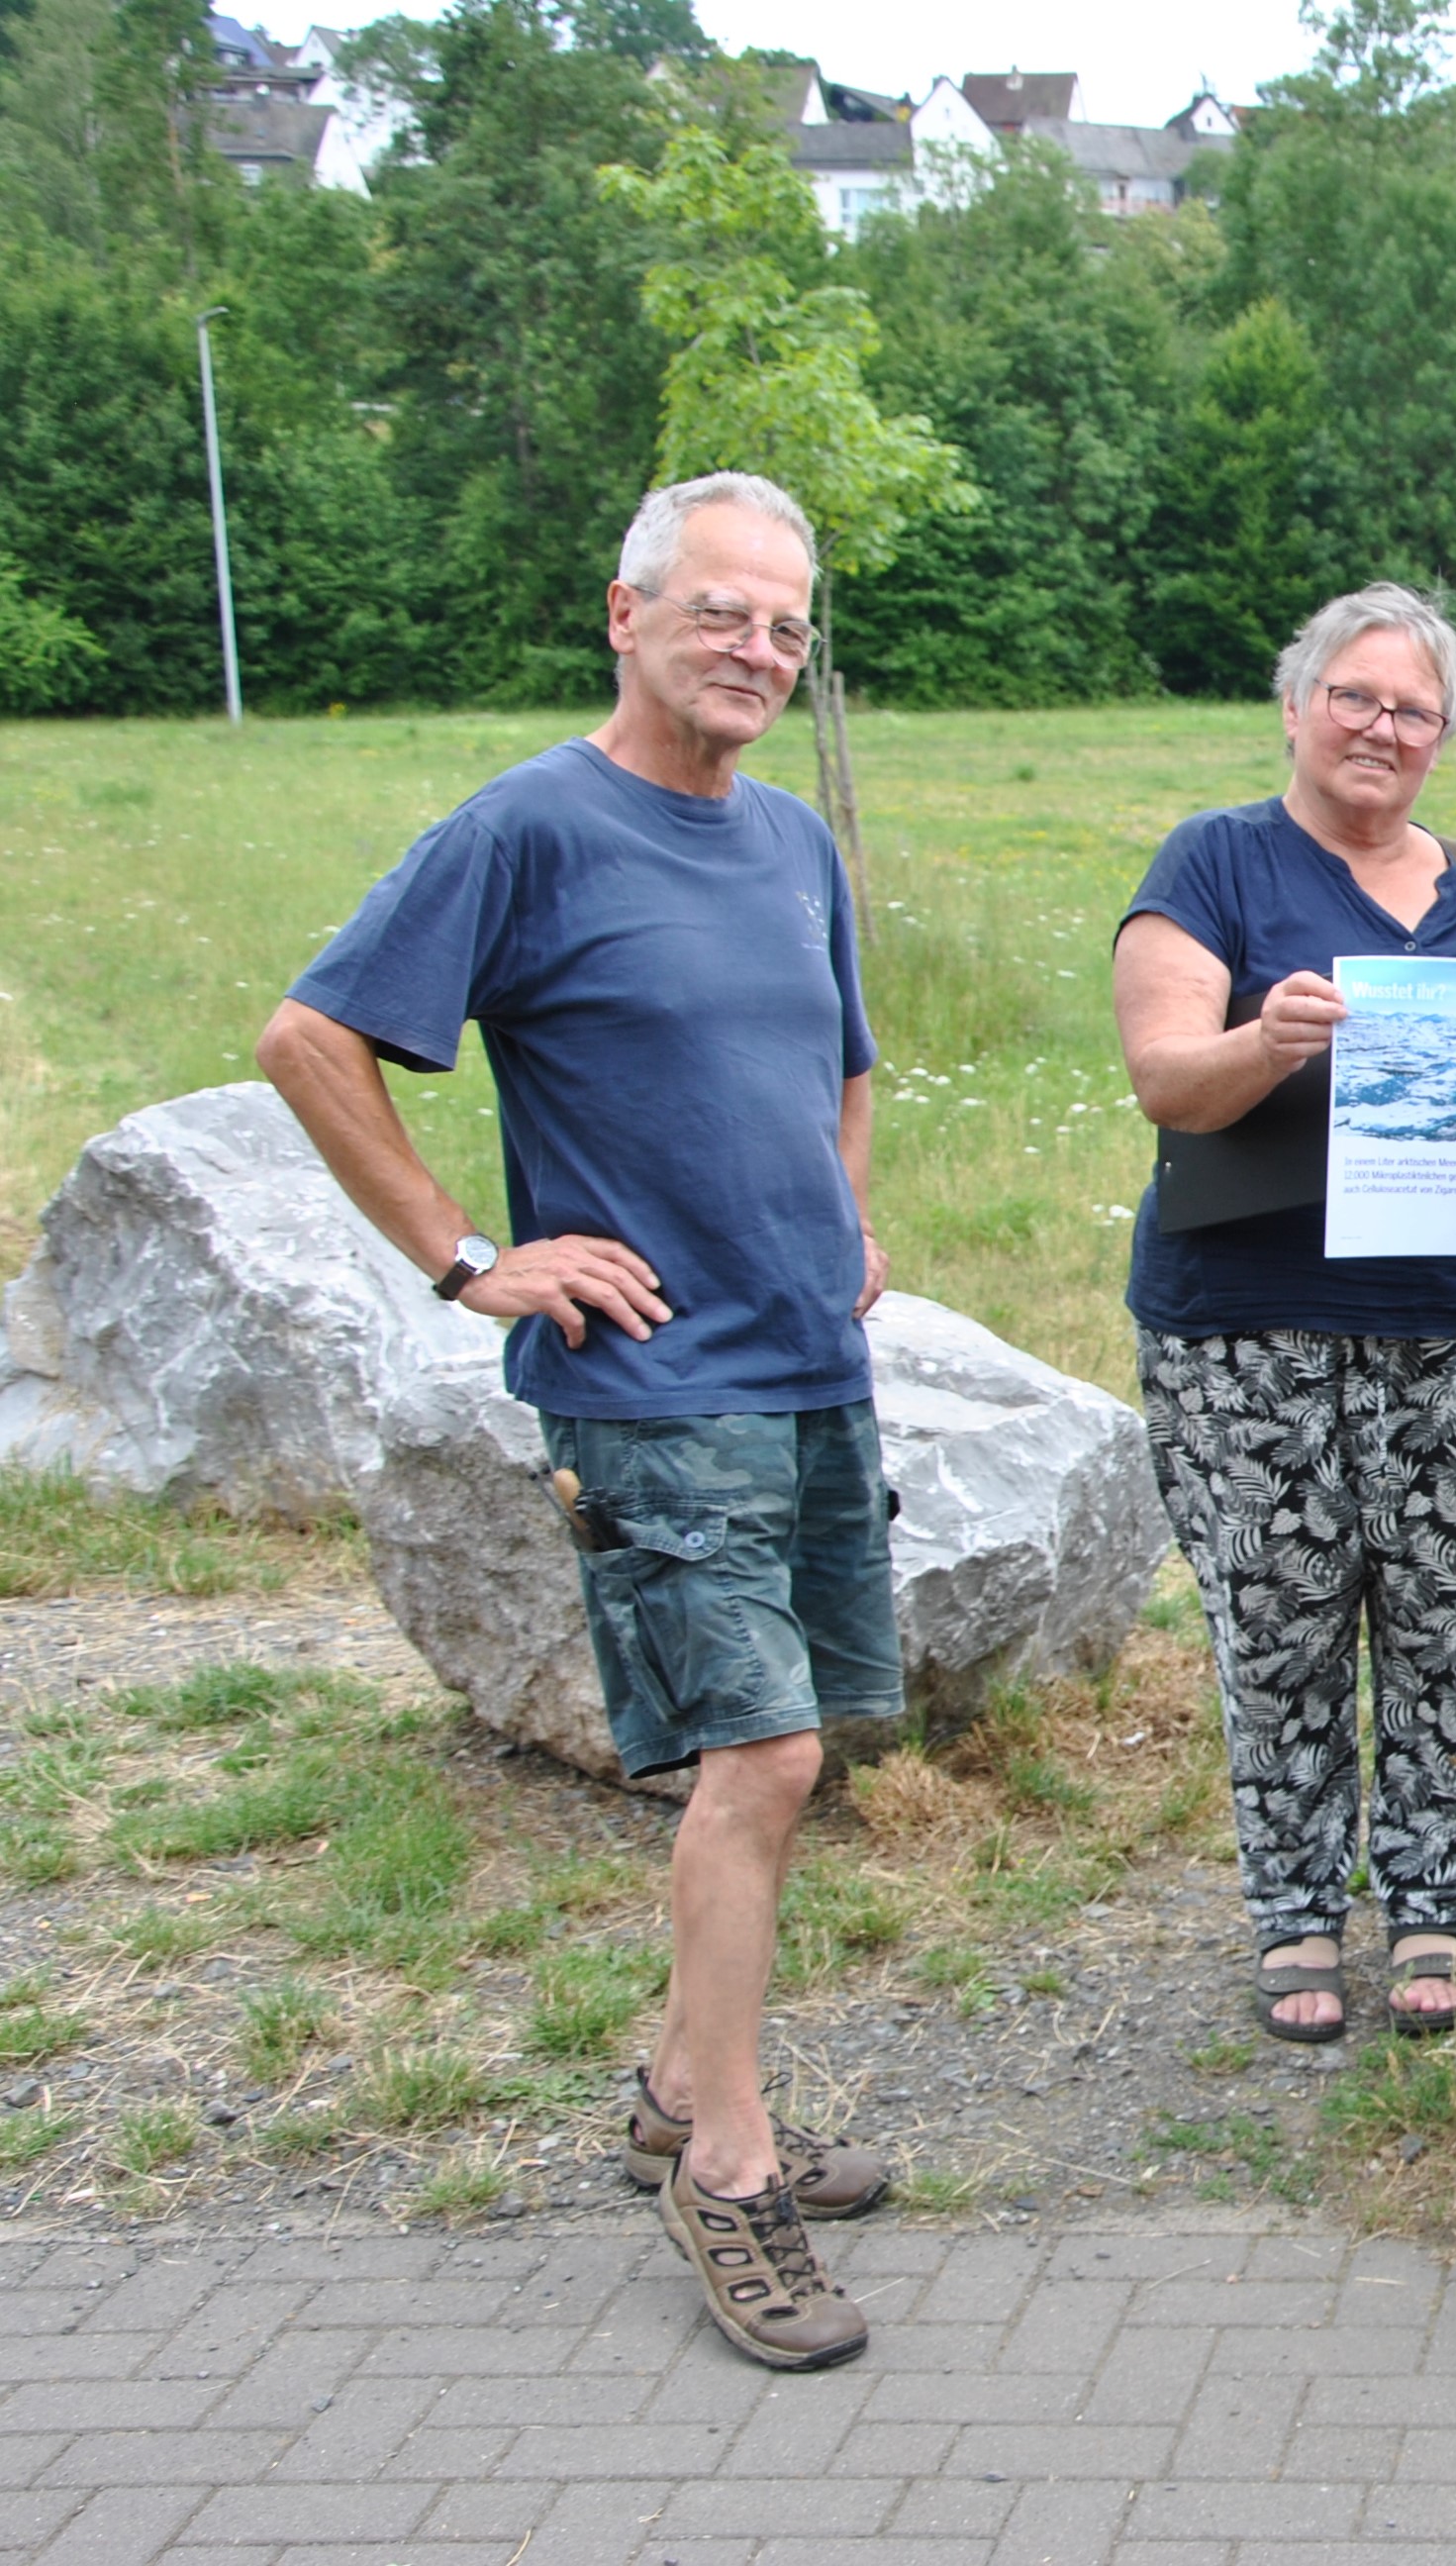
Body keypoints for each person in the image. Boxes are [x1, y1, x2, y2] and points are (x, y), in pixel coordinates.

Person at [257, 471, 895, 2374]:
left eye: (785, 626)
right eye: (721, 612)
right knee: (760, 1760)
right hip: (650, 1385)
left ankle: (669, 2090)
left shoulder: (789, 840)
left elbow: (844, 1065)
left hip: (806, 1368)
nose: (757, 651)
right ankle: (727, 2166)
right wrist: (470, 1260)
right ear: (624, 615)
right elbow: (312, 1038)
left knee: (801, 1749)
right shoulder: (532, 827)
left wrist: (849, 1213)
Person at [1116, 584, 1456, 2043]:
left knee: (1448, 1624)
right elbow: (1164, 1076)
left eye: (1412, 710)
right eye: (1355, 697)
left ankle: (1433, 1903)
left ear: (1444, 736)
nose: (1381, 729)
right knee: (1279, 1630)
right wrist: (1264, 1039)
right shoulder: (1212, 862)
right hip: (1244, 1331)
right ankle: (1292, 1913)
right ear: (1295, 705)